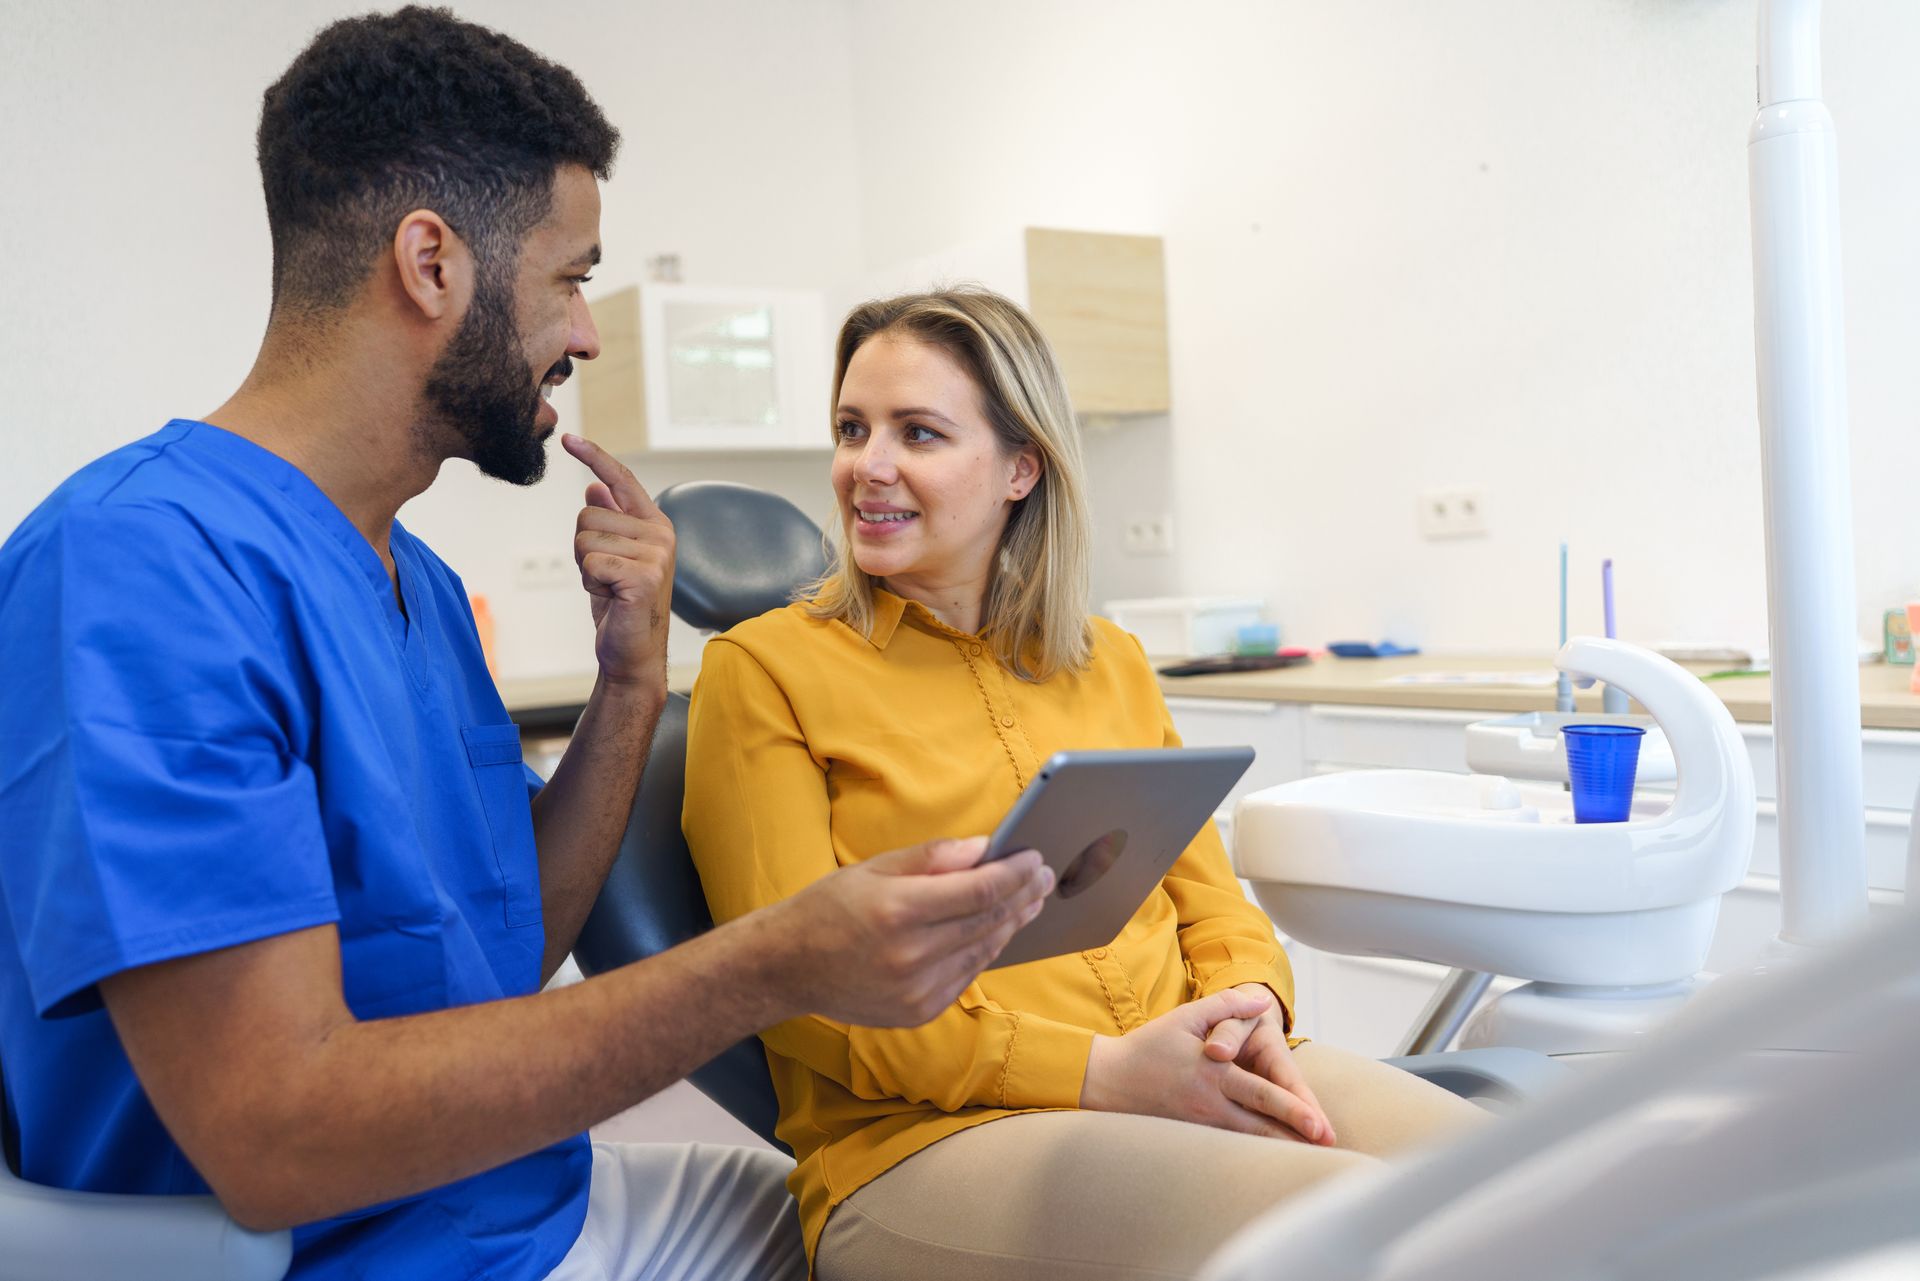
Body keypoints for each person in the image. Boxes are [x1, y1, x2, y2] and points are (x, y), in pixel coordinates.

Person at [0, 11, 1052, 1281]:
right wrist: (767, 965)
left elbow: (506, 946)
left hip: (520, 1200)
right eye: (571, 278)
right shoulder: (140, 569)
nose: (589, 333)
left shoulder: (418, 585)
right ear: (430, 264)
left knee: (948, 1233)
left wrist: (631, 681)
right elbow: (273, 1133)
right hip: (344, 1255)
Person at [682, 288, 1488, 1279]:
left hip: (1183, 1063)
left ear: (1021, 469)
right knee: (1344, 1225)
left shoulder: (1108, 660)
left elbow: (1207, 898)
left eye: (918, 433)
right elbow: (802, 990)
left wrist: (1249, 1008)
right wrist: (1105, 1073)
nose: (867, 466)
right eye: (852, 428)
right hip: (923, 1143)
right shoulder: (762, 672)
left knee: (1508, 1181)